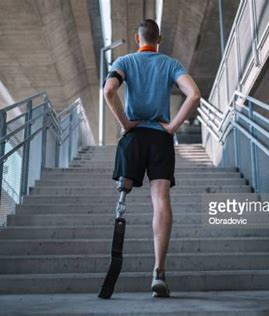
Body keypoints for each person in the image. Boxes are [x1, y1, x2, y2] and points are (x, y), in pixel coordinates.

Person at [103, 19, 201, 298]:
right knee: (160, 201)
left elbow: (109, 91)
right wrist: (172, 127)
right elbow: (194, 94)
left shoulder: (125, 61)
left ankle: (124, 190)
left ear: (137, 38)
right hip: (160, 138)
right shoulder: (170, 64)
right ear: (159, 39)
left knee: (125, 188)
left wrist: (125, 123)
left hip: (133, 138)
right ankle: (159, 270)